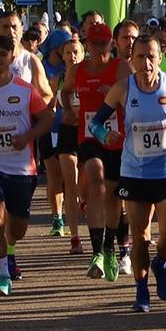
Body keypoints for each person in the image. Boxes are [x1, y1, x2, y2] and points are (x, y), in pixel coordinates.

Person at [90, 35, 166, 312]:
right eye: (140, 57)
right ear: (132, 59)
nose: (146, 63)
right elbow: (95, 123)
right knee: (140, 237)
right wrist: (105, 136)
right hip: (135, 172)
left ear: (160, 57)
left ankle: (160, 264)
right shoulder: (122, 89)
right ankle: (141, 290)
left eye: (151, 56)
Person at [0, 34, 55, 296]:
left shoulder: (25, 91)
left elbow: (47, 119)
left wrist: (27, 137)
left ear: (11, 58)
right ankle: (3, 276)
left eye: (3, 54)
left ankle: (9, 247)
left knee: (17, 229)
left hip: (22, 168)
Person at [60, 23, 128, 280]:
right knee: (95, 177)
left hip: (118, 140)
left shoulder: (121, 68)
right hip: (89, 137)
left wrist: (115, 95)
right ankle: (97, 252)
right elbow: (66, 91)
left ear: (111, 43)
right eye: (95, 43)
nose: (100, 48)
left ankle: (109, 246)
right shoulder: (76, 70)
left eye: (104, 43)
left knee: (114, 196)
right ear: (87, 45)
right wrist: (69, 110)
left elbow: (136, 97)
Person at [39, 29, 74, 238]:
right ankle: (57, 218)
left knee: (71, 174)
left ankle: (73, 212)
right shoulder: (41, 67)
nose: (69, 52)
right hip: (48, 127)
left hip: (71, 127)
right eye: (65, 47)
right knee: (54, 175)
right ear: (56, 48)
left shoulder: (73, 68)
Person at [54, 37, 86, 254]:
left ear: (83, 54)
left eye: (76, 52)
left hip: (88, 131)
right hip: (66, 131)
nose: (72, 56)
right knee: (70, 183)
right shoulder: (57, 79)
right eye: (68, 52)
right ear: (62, 55)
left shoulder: (90, 75)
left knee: (88, 183)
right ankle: (74, 236)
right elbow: (46, 103)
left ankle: (86, 200)